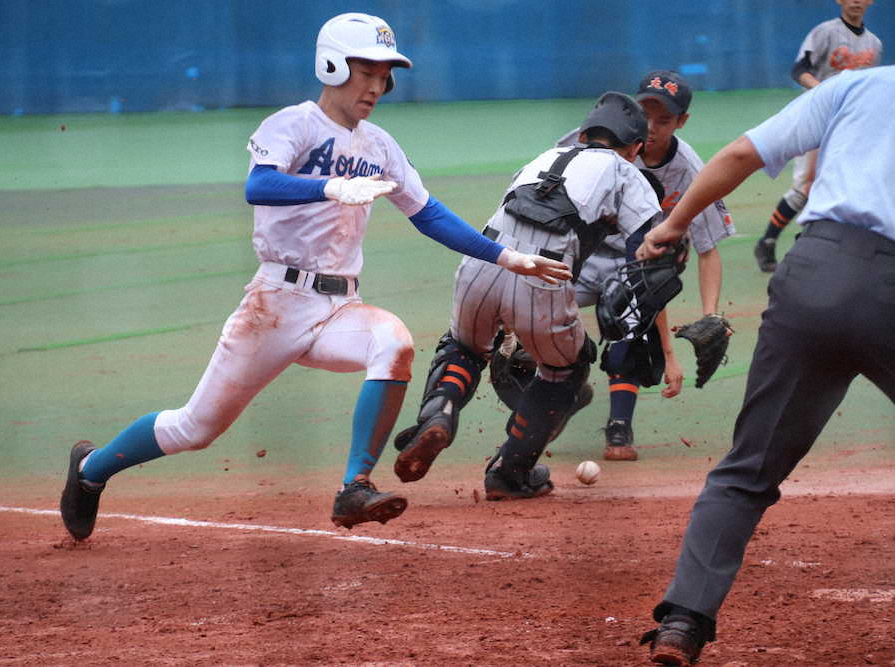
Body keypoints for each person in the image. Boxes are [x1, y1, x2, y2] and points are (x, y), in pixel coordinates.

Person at [58, 12, 571, 540]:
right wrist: (327, 187)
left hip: (339, 308)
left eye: (384, 75)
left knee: (393, 342)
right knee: (196, 427)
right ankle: (90, 471)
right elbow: (258, 186)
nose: (376, 86)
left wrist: (504, 257)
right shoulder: (294, 124)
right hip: (275, 304)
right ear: (331, 65)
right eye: (365, 71)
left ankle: (354, 487)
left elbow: (428, 213)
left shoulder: (379, 146)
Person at [636, 2, 895, 663]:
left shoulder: (858, 83)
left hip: (810, 275)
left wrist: (673, 226)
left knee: (746, 470)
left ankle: (683, 622)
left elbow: (738, 152)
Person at [391, 92, 668, 499]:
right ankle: (510, 470)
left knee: (464, 346)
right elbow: (651, 245)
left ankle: (440, 412)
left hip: (484, 260)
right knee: (567, 370)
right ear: (636, 148)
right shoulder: (625, 172)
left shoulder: (543, 158)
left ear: (586, 132)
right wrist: (637, 313)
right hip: (543, 277)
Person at [554, 70, 734, 460]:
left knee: (641, 295)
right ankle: (554, 402)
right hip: (581, 255)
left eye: (664, 120)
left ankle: (619, 427)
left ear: (682, 121)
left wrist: (710, 316)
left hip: (634, 266)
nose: (650, 128)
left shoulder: (688, 170)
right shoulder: (597, 133)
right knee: (527, 323)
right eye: (645, 114)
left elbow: (708, 248)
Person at [754, 0, 881, 272]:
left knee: (848, 184)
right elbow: (799, 69)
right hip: (818, 119)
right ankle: (767, 241)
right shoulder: (825, 32)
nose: (856, 1)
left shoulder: (874, 44)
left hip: (850, 123)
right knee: (806, 187)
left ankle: (828, 247)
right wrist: (824, 91)